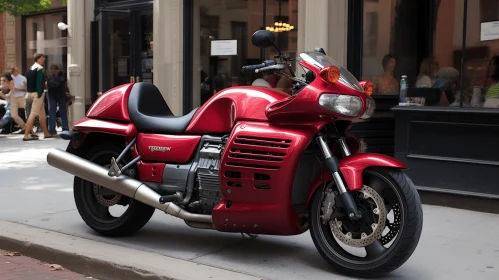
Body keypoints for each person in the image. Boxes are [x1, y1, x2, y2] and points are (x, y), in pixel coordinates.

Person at [23, 53, 52, 141]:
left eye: (43, 59)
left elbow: (27, 82)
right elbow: (39, 83)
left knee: (42, 114)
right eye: (42, 59)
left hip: (29, 93)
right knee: (33, 113)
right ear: (37, 59)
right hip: (37, 94)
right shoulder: (39, 68)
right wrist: (40, 94)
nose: (43, 60)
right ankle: (26, 135)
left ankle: (46, 133)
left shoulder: (30, 69)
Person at [46, 63, 68, 136]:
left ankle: (52, 130)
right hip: (59, 95)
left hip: (53, 96)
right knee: (62, 113)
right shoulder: (62, 76)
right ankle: (64, 129)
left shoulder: (50, 76)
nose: (55, 71)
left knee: (53, 113)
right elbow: (59, 84)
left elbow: (52, 85)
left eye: (55, 69)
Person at [9, 67, 27, 132]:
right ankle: (24, 126)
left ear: (18, 71)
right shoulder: (10, 78)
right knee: (13, 115)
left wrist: (19, 89)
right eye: (13, 72)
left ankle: (28, 127)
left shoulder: (23, 78)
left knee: (26, 113)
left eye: (15, 71)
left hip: (22, 96)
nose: (14, 73)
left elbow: (27, 88)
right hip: (13, 96)